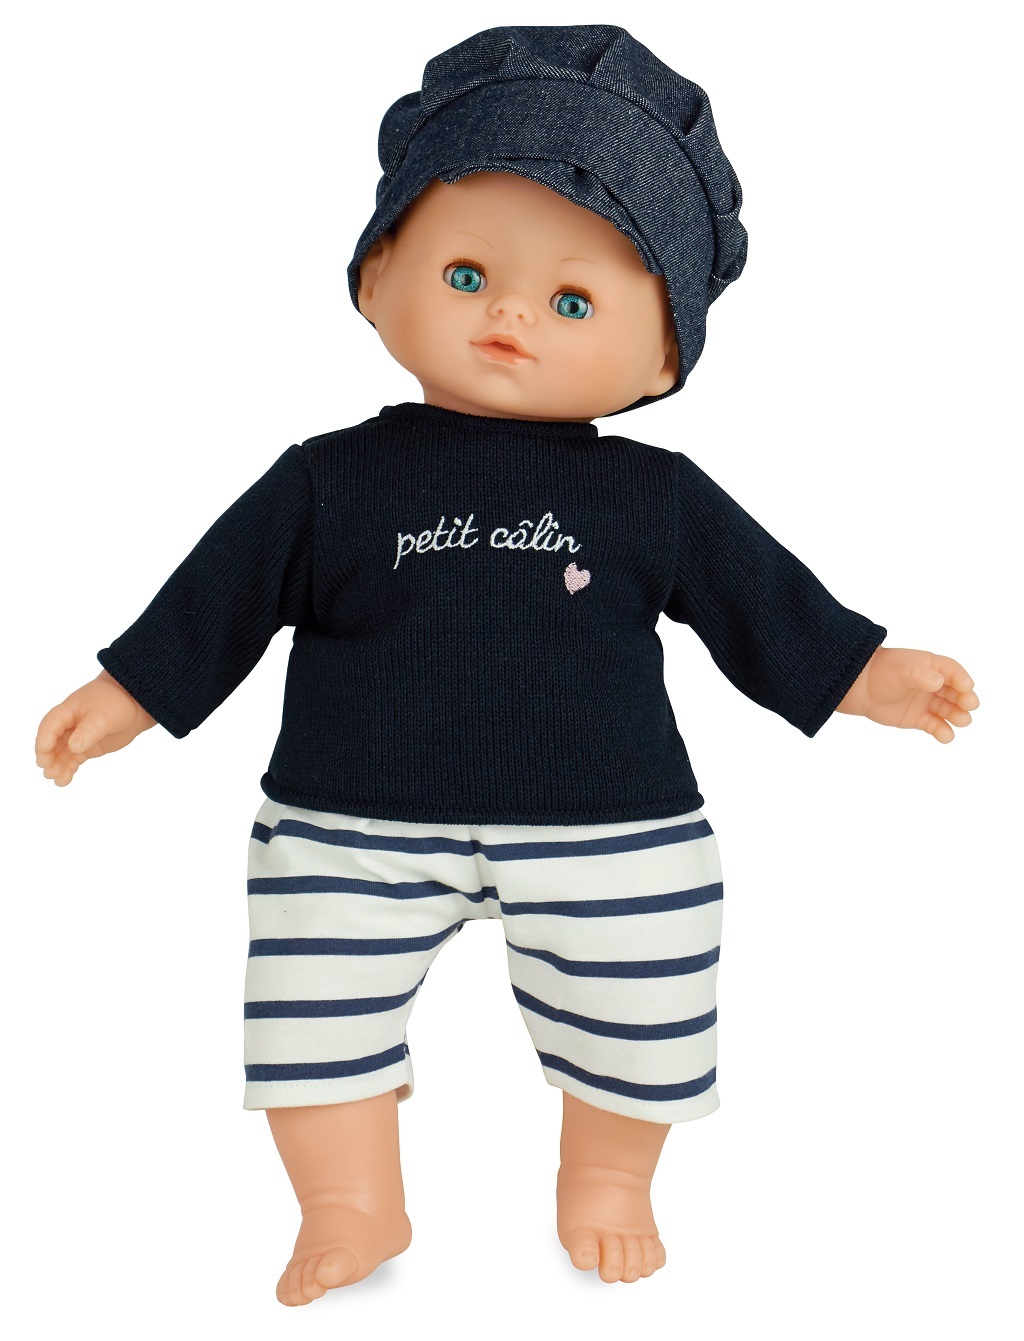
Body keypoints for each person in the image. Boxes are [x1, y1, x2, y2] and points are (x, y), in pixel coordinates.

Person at [35, 25, 977, 1301]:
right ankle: (349, 1202)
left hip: (612, 824)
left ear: (663, 357)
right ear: (377, 278)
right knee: (310, 1008)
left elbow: (765, 608)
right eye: (467, 272)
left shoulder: (657, 496)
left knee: (647, 1004)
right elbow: (217, 601)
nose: (512, 314)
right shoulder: (325, 481)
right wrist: (129, 693)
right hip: (348, 824)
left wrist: (866, 674)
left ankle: (609, 1176)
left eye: (573, 302)